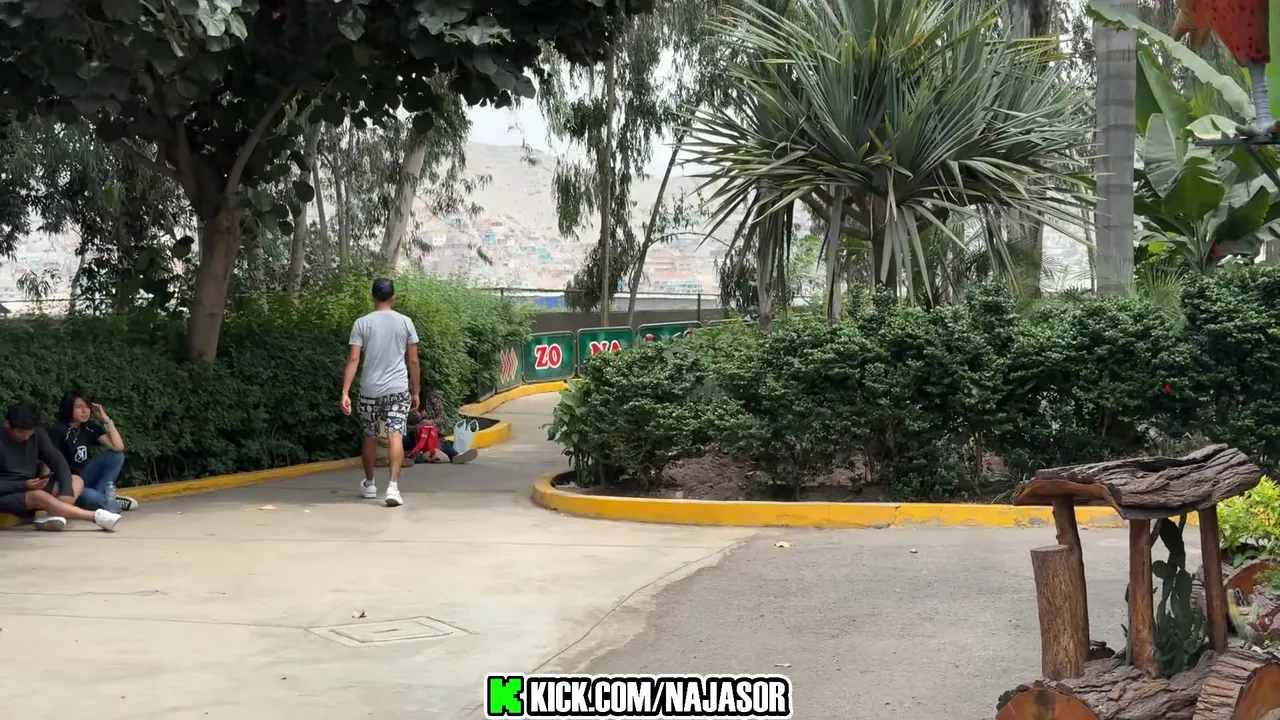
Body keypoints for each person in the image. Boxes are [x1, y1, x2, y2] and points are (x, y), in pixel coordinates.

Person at [340, 278, 420, 507]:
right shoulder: (405, 322)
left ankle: (370, 484)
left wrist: (345, 392)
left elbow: (354, 359)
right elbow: (413, 360)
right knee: (395, 435)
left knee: (370, 435)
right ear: (393, 297)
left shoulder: (362, 323)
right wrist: (416, 391)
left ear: (372, 296)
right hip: (398, 390)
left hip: (369, 390)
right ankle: (393, 487)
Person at [0, 400, 120, 532]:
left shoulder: (37, 433)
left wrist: (66, 490)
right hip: (8, 492)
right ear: (7, 424)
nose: (26, 437)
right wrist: (24, 485)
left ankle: (54, 515)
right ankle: (96, 517)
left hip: (31, 485)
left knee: (76, 480)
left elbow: (57, 460)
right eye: (20, 432)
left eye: (30, 432)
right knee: (39, 496)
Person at [53, 391, 138, 513]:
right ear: (68, 408)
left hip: (85, 476)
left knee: (116, 456)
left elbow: (118, 447)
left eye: (87, 407)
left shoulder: (89, 428)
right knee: (89, 496)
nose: (84, 411)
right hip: (69, 483)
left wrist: (105, 419)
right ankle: (109, 501)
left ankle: (103, 499)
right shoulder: (58, 430)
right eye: (79, 407)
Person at [417, 389, 478, 465]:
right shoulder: (406, 399)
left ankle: (456, 456)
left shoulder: (432, 399)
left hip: (432, 433)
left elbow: (441, 418)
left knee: (442, 442)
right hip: (415, 434)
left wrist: (431, 422)